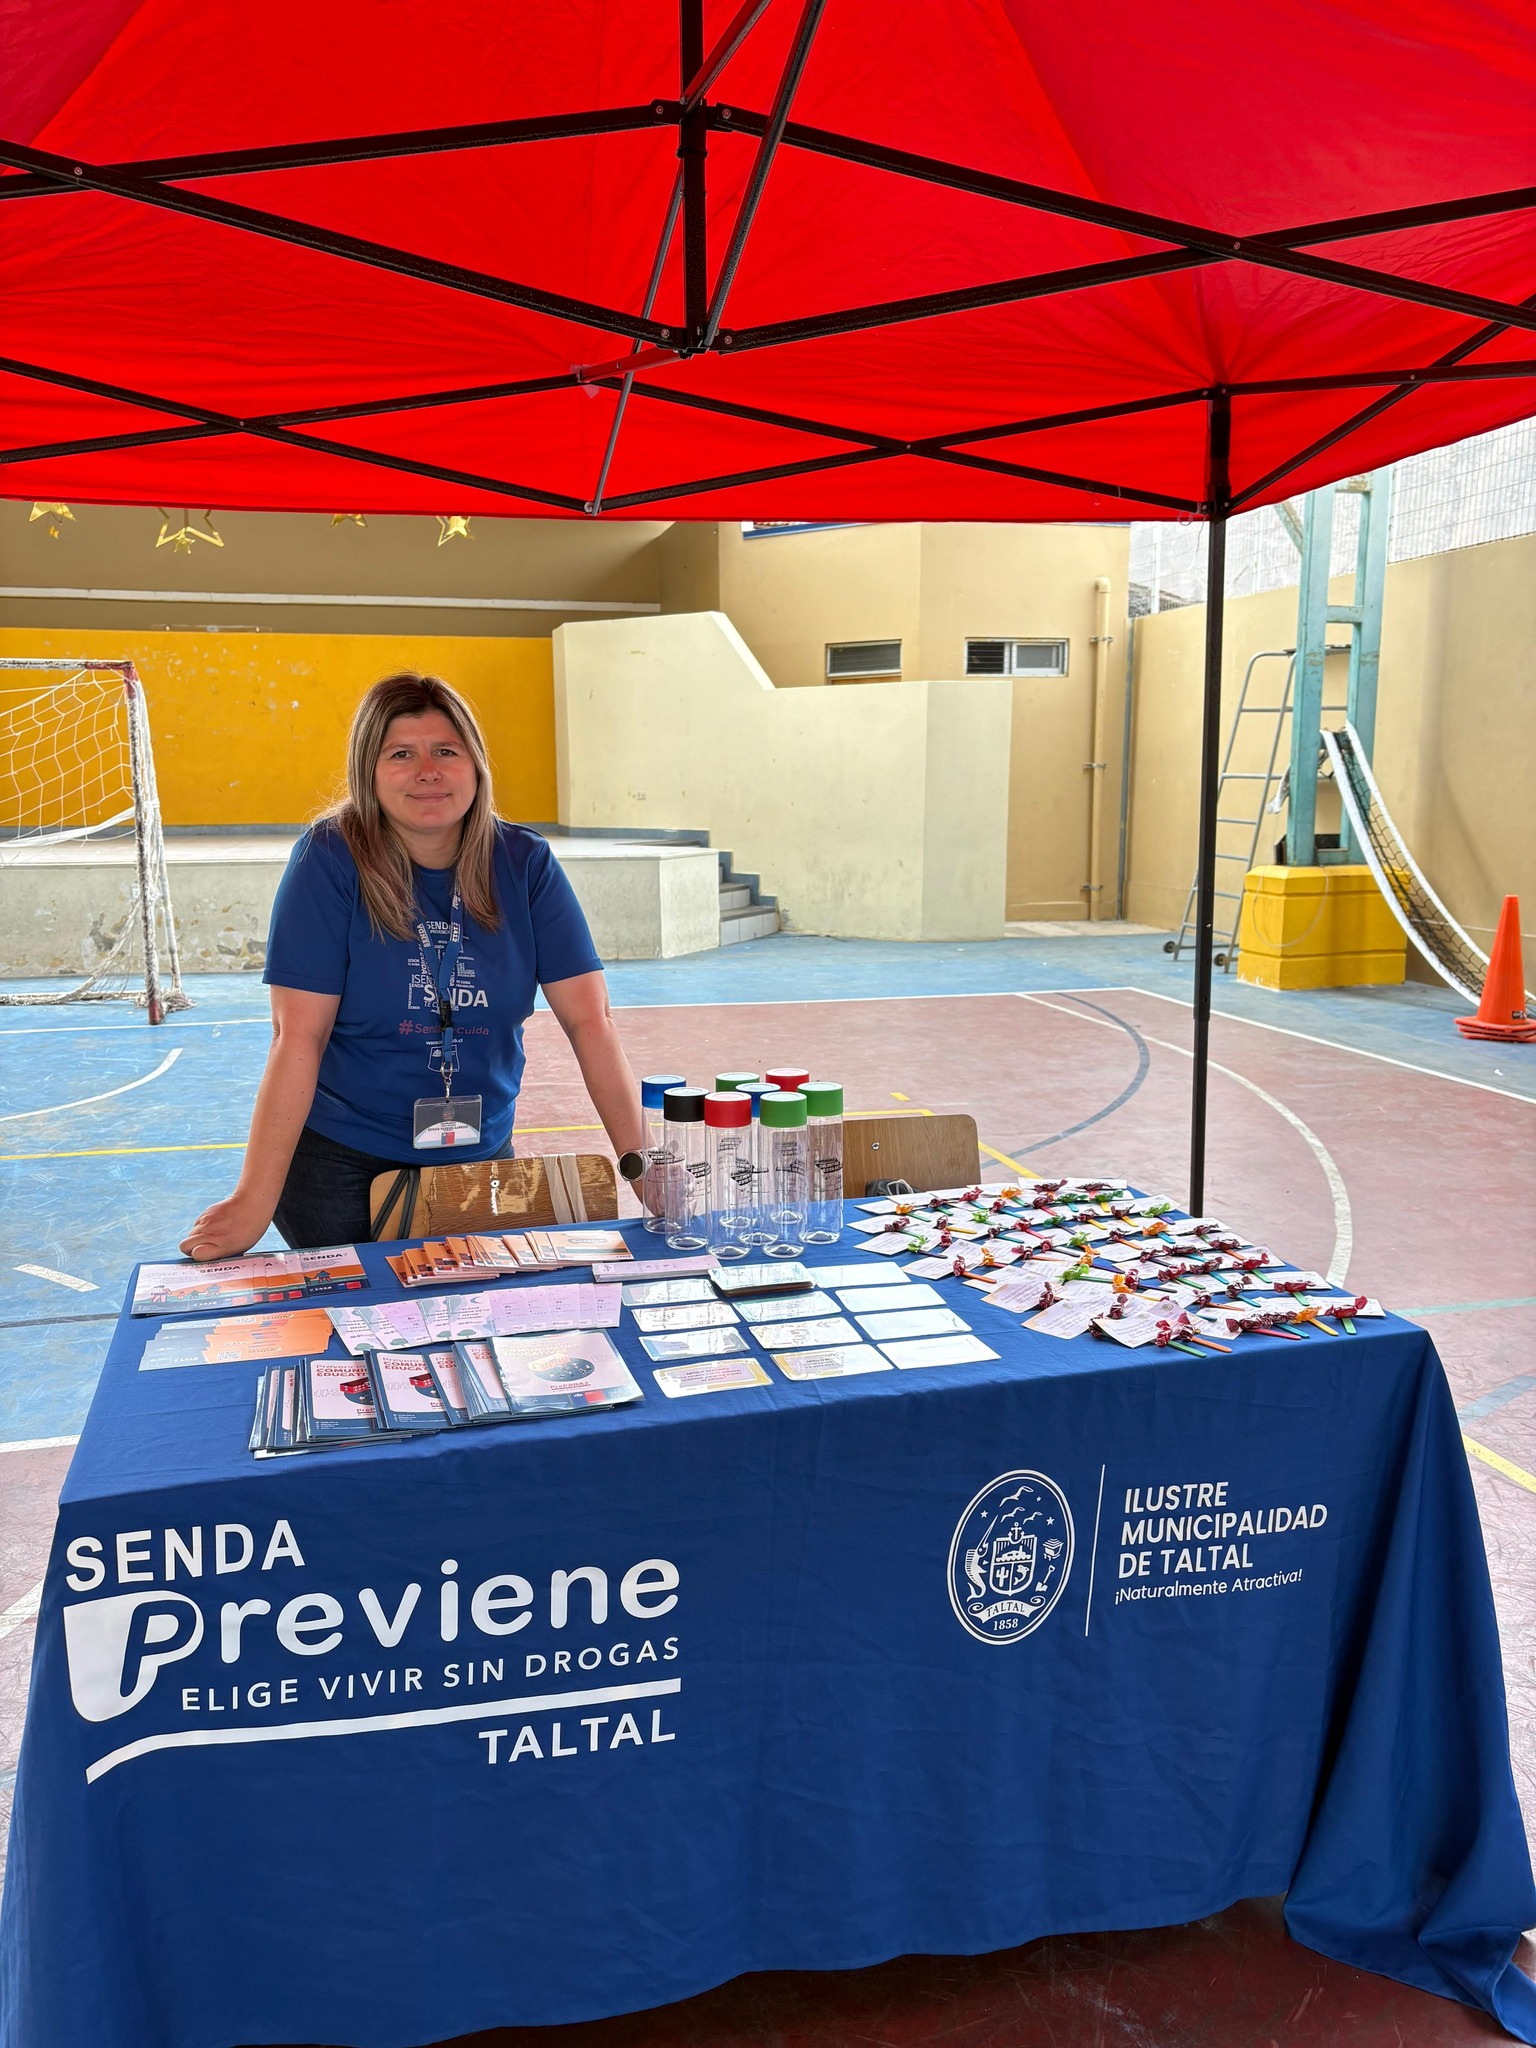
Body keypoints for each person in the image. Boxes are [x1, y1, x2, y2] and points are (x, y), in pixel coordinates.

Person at [181, 671, 647, 1257]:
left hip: (477, 1153)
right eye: (401, 753)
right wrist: (253, 1199)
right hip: (340, 1166)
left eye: (446, 751)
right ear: (368, 772)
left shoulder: (524, 863)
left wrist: (644, 1168)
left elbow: (591, 1023)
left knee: (472, 1332)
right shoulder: (329, 859)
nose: (428, 770)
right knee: (364, 1336)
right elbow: (298, 1034)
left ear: (475, 766)